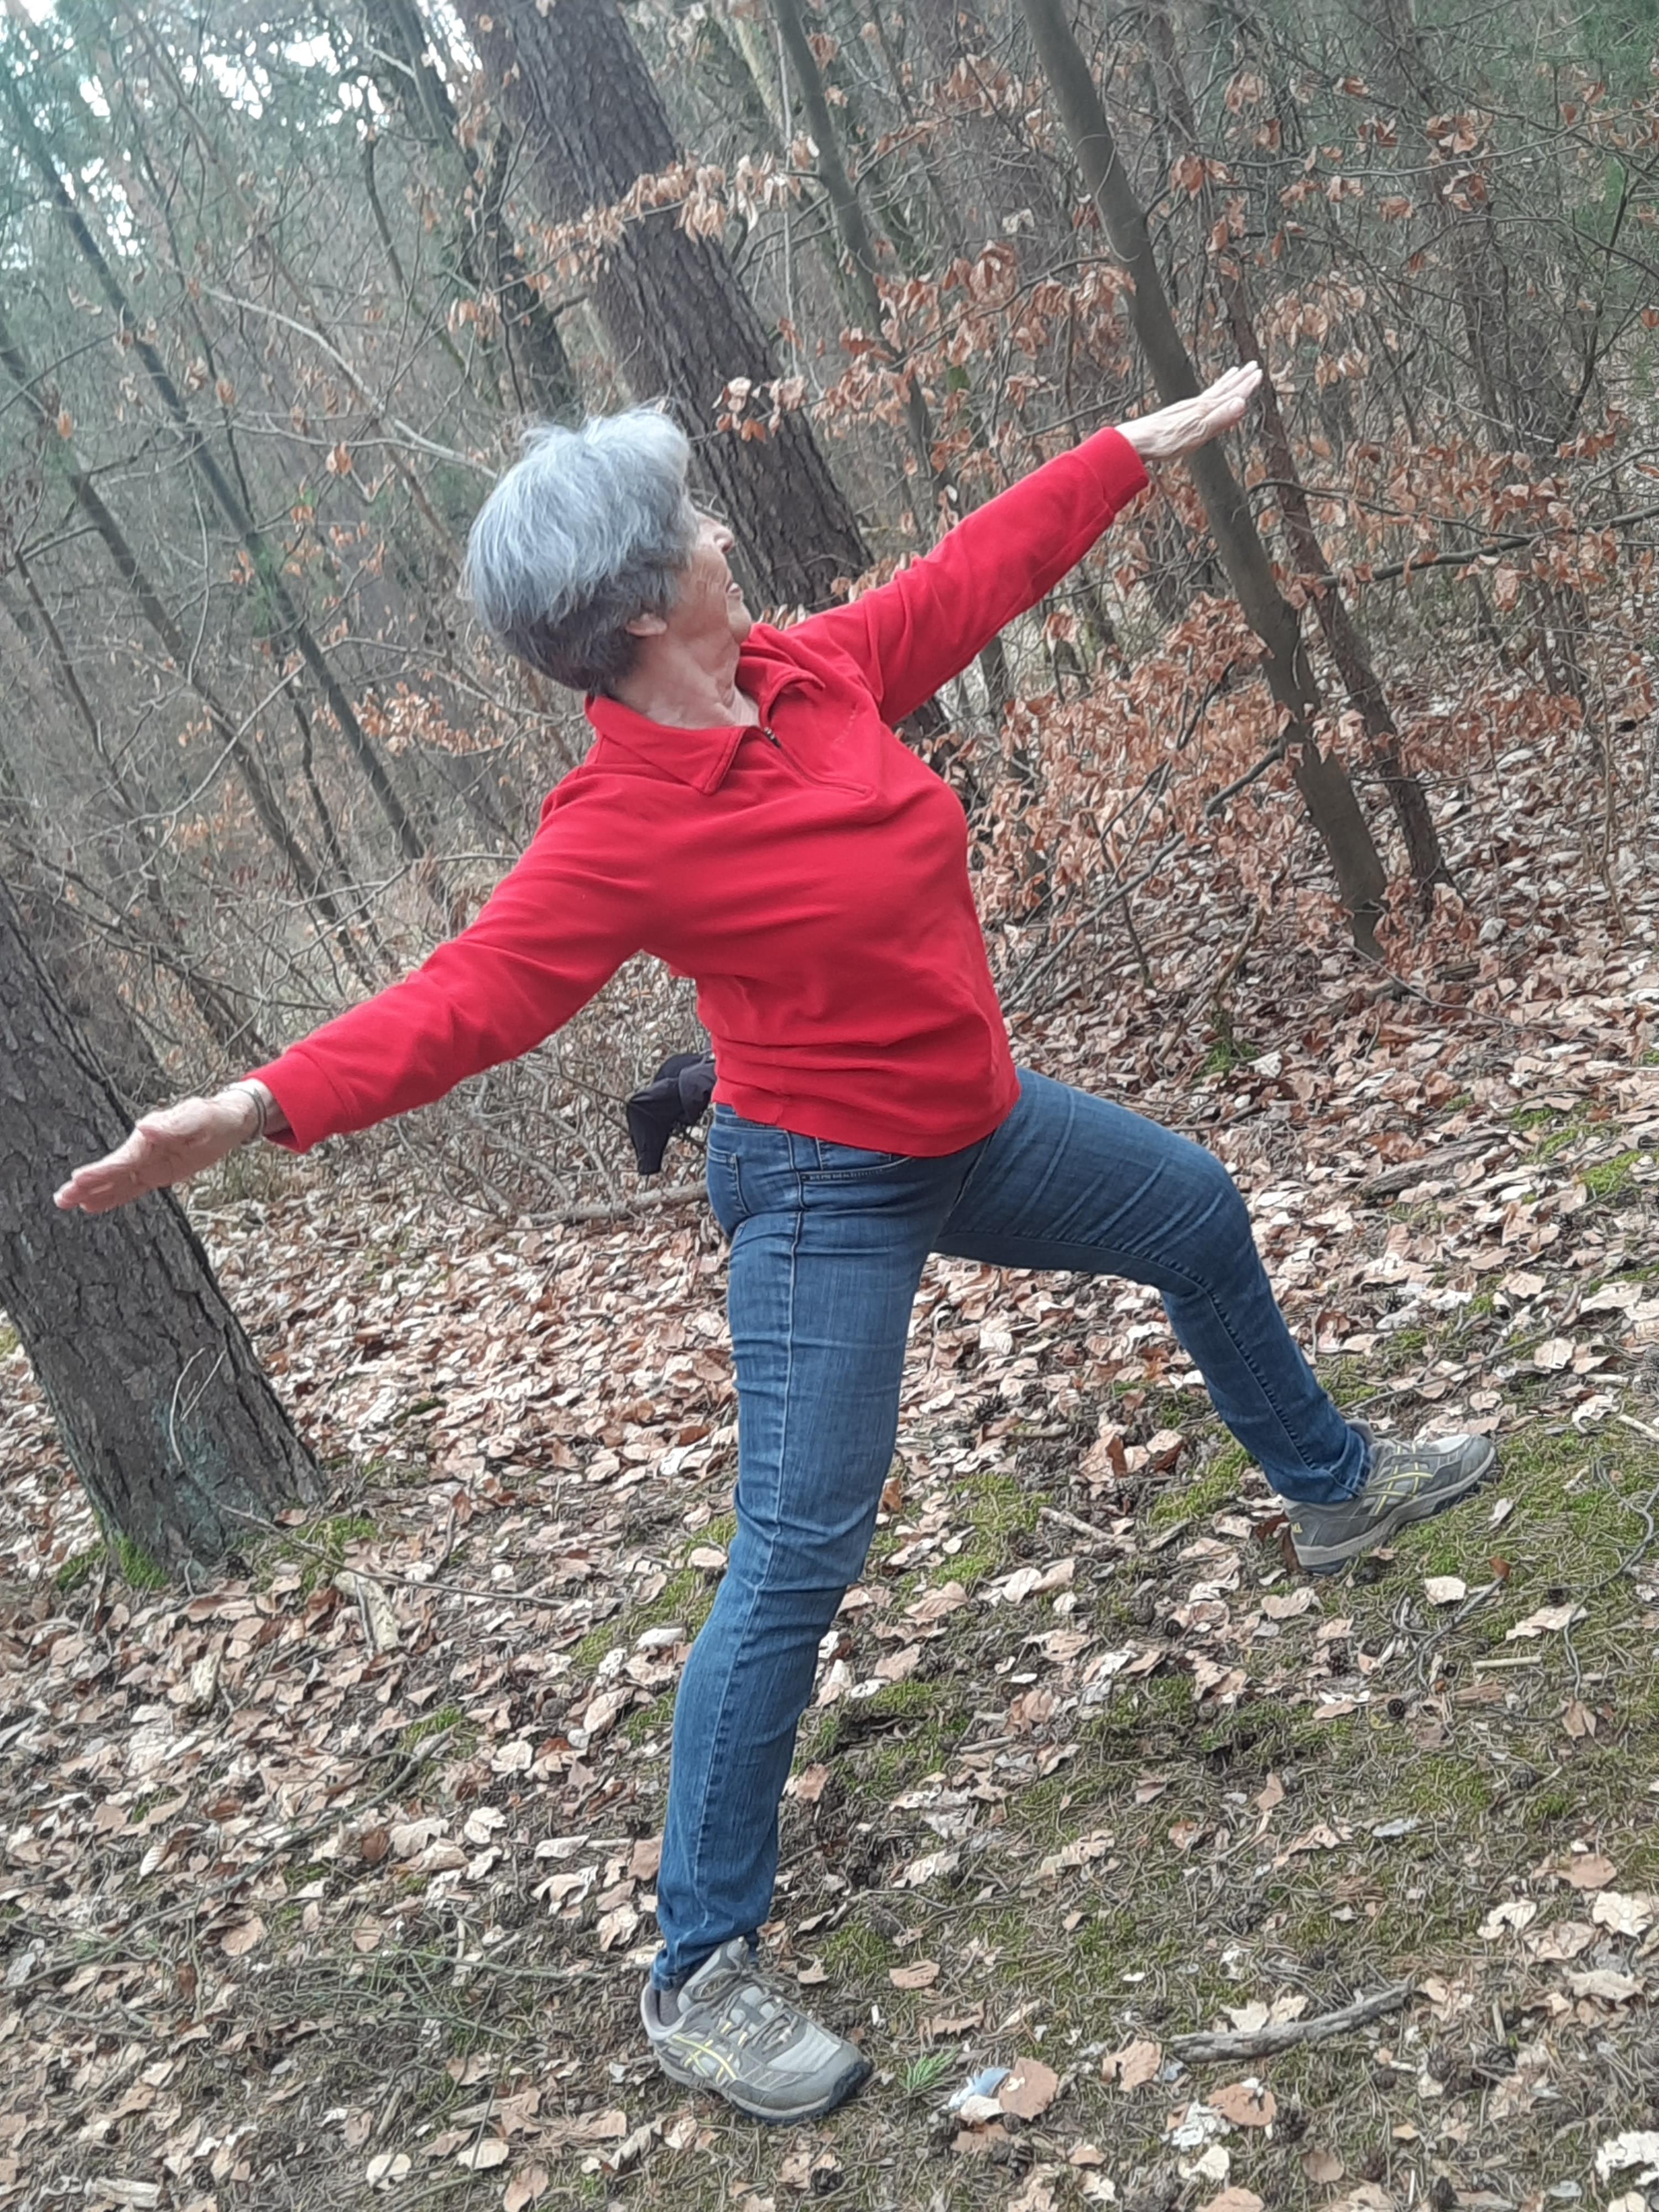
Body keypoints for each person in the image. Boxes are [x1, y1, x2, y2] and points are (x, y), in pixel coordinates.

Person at [55, 369, 1496, 2125]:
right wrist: (254, 1106)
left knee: (1191, 1206)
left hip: (978, 1123)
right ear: (647, 605)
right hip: (823, 1183)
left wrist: (1129, 451)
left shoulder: (810, 674)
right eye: (696, 527)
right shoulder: (620, 830)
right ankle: (700, 1967)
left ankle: (1335, 1487)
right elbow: (469, 1002)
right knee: (801, 1547)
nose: (729, 532)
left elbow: (972, 577)